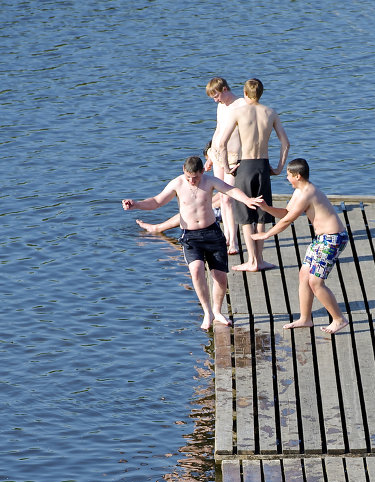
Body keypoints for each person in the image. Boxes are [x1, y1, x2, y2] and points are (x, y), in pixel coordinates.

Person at [121, 155, 260, 330]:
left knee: (220, 277)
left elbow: (230, 190)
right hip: (190, 236)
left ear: (202, 171)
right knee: (196, 270)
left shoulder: (209, 181)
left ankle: (217, 311)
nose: (192, 181)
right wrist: (136, 204)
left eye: (195, 177)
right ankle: (207, 312)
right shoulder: (177, 184)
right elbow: (157, 202)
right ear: (183, 171)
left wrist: (247, 200)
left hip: (212, 233)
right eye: (188, 177)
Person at [251, 158, 350, 334]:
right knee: (304, 275)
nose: (287, 178)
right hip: (322, 239)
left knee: (315, 282)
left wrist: (266, 234)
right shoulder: (299, 191)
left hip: (333, 239)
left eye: (289, 176)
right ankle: (305, 319)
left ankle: (339, 319)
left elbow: (289, 220)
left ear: (297, 176)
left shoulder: (307, 193)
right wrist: (266, 207)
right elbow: (285, 213)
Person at [213, 78, 290, 272]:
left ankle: (252, 260)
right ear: (260, 93)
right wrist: (279, 167)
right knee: (262, 215)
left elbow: (221, 143)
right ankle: (260, 260)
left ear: (245, 94)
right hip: (263, 166)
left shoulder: (237, 112)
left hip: (245, 166)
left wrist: (226, 166)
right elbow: (285, 143)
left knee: (246, 217)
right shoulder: (271, 113)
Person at [204, 77, 247, 254]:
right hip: (218, 153)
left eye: (217, 96)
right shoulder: (220, 106)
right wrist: (211, 157)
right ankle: (228, 237)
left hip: (234, 156)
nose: (216, 100)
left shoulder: (242, 104)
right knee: (222, 198)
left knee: (229, 197)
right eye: (213, 97)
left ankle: (234, 241)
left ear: (225, 89)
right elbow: (218, 128)